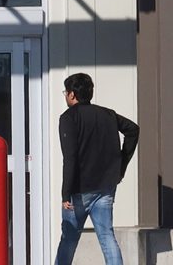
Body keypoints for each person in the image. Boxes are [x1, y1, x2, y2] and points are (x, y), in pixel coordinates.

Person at [54, 73, 139, 265]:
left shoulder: (68, 118)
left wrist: (65, 194)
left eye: (66, 92)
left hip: (78, 191)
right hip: (105, 187)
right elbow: (133, 130)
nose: (66, 96)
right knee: (107, 238)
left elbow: (70, 157)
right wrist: (122, 165)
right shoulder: (107, 114)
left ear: (73, 95)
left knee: (68, 239)